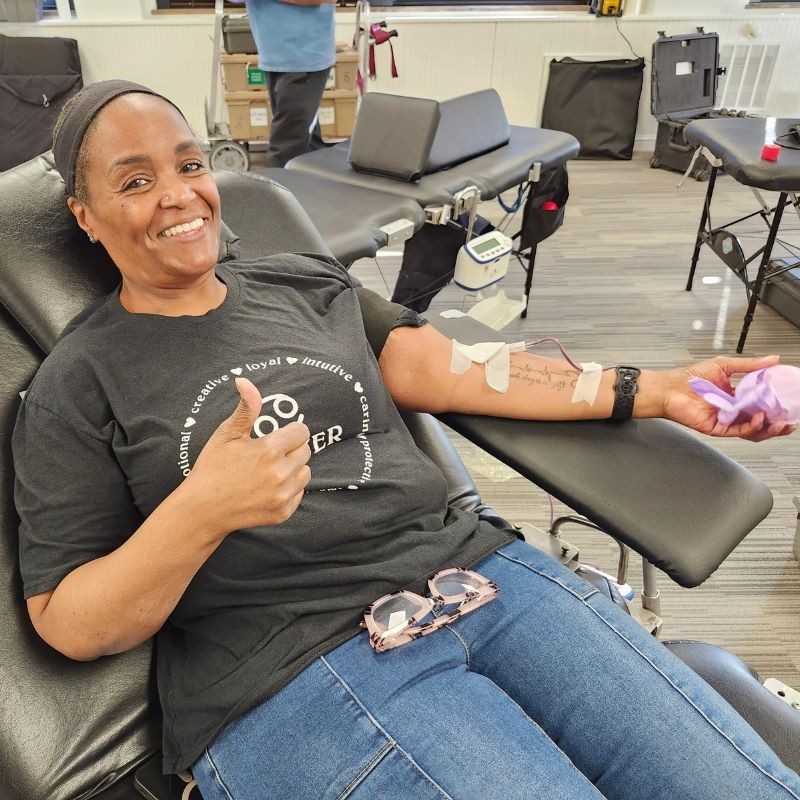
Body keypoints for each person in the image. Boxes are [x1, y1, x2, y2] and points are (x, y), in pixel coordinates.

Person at [12, 80, 800, 800]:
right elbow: (67, 621)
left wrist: (659, 389)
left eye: (189, 164)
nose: (180, 196)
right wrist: (203, 511)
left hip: (484, 579)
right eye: (136, 180)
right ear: (84, 213)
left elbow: (465, 371)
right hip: (297, 670)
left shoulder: (303, 282)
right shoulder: (77, 385)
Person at [244, 0, 335, 167]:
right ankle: (313, 186)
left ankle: (276, 192)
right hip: (273, 56)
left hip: (303, 58)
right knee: (303, 139)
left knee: (286, 147)